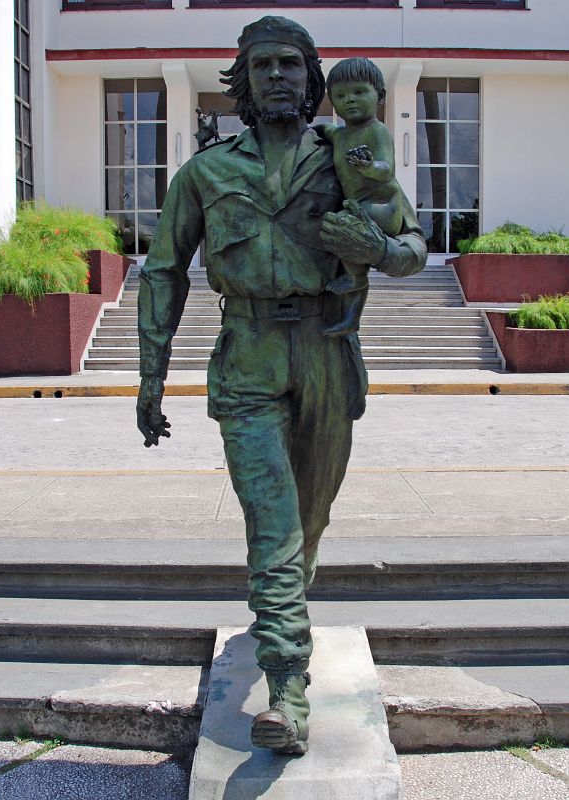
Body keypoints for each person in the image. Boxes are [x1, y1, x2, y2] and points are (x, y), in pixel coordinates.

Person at [136, 16, 426, 756]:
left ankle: (284, 613)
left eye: (290, 66)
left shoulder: (349, 158)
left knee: (310, 520)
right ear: (242, 79)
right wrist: (151, 376)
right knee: (274, 526)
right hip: (248, 355)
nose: (275, 78)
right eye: (261, 65)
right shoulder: (205, 172)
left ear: (312, 80)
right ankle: (286, 691)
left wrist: (381, 249)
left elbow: (413, 245)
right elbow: (164, 270)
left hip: (327, 351)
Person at [316, 57, 403, 336]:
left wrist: (369, 167)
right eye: (340, 96)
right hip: (358, 208)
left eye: (359, 92)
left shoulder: (377, 131)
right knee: (340, 231)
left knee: (344, 229)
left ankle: (354, 276)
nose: (349, 101)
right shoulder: (339, 134)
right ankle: (350, 318)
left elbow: (387, 170)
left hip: (382, 207)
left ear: (379, 94)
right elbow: (322, 130)